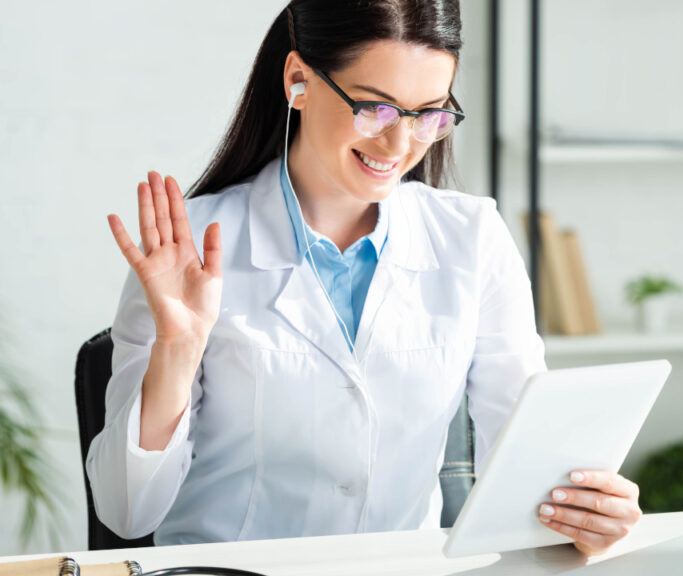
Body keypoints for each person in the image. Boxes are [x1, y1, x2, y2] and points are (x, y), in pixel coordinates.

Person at [87, 0, 641, 556]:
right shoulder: (188, 249)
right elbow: (128, 513)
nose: (400, 147)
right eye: (374, 109)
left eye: (429, 114)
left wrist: (587, 513)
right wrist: (176, 352)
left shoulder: (472, 238)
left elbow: (528, 464)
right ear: (299, 80)